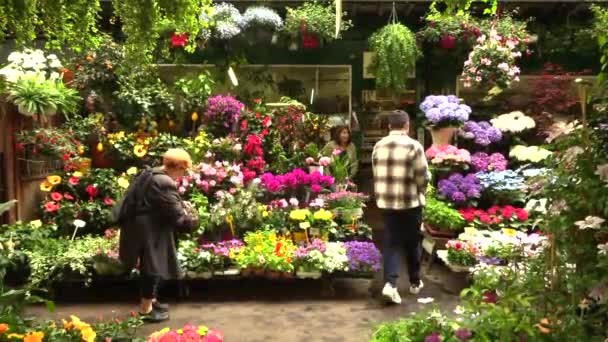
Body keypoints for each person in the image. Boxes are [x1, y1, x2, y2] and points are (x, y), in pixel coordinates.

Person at [118, 148, 197, 322]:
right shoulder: (164, 182)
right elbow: (176, 215)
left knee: (151, 263)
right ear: (178, 167)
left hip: (139, 226)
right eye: (184, 170)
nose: (183, 174)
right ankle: (146, 309)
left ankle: (151, 302)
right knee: (152, 266)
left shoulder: (151, 173)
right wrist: (191, 220)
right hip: (149, 230)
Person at [371, 110, 429, 305]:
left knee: (391, 241)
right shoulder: (414, 146)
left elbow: (375, 171)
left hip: (386, 202)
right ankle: (414, 282)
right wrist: (423, 192)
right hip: (410, 202)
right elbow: (423, 176)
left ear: (389, 126)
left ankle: (390, 284)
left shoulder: (379, 146)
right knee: (412, 242)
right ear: (407, 125)